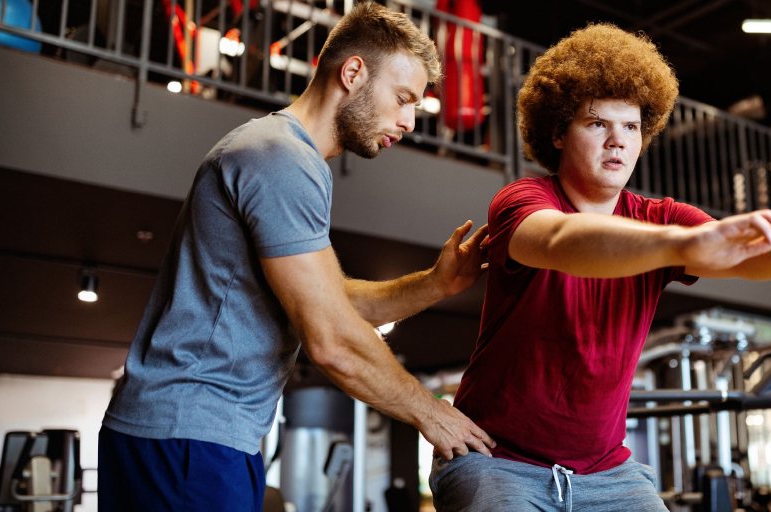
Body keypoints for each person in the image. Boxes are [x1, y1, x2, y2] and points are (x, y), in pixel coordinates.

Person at [430, 24, 771, 511]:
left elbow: (750, 259)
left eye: (632, 127)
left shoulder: (662, 219)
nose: (617, 141)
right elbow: (561, 240)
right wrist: (686, 243)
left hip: (607, 470)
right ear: (557, 132)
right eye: (598, 124)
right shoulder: (524, 199)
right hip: (495, 459)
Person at [98, 4, 494, 511]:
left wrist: (434, 285)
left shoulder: (287, 156)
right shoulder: (280, 158)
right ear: (352, 73)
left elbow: (331, 298)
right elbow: (330, 339)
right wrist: (434, 414)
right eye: (402, 98)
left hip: (197, 435)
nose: (410, 121)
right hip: (187, 436)